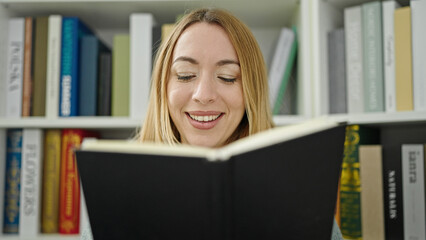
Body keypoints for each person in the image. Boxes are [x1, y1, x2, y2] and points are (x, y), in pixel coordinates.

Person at [83, 7, 343, 240]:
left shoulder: (297, 188)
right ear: (163, 87)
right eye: (185, 75)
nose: (203, 94)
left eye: (227, 77)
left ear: (251, 91)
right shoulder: (113, 184)